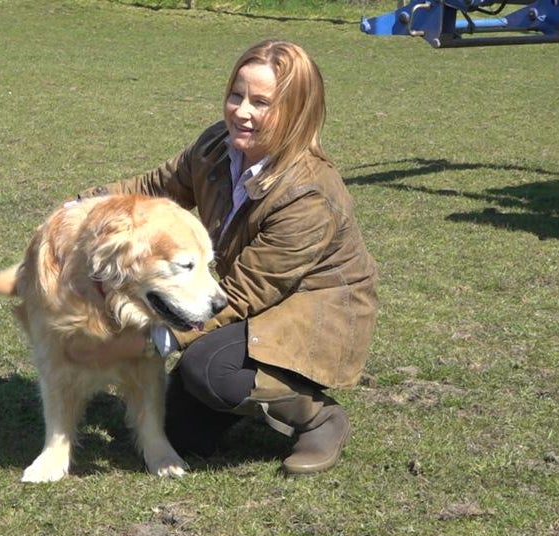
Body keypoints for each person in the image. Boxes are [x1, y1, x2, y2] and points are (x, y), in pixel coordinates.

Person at [69, 39, 378, 475]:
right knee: (177, 435)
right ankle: (239, 391)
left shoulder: (308, 194)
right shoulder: (218, 145)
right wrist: (82, 209)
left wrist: (164, 337)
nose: (241, 111)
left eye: (261, 102)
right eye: (237, 95)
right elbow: (157, 186)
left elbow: (249, 289)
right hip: (249, 301)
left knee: (208, 368)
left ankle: (319, 417)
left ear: (296, 112)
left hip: (316, 314)